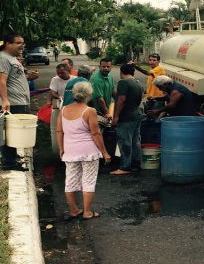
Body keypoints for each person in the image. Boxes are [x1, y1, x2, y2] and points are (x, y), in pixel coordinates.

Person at [57, 81, 112, 220]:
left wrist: (61, 149)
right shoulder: (89, 111)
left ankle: (74, 210)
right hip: (88, 151)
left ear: (74, 93)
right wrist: (105, 152)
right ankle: (87, 212)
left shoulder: (63, 110)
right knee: (88, 180)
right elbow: (95, 133)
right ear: (89, 95)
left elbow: (59, 131)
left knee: (70, 180)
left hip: (70, 151)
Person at [0, 34, 39, 171]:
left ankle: (12, 158)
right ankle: (8, 162)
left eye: (23, 43)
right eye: (18, 43)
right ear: (7, 43)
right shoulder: (1, 58)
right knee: (9, 133)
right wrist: (5, 100)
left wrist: (29, 76)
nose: (22, 45)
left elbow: (15, 77)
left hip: (19, 101)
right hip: (11, 103)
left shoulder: (12, 58)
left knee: (14, 132)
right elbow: (1, 81)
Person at [110, 64, 145, 175]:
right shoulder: (138, 83)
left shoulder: (123, 82)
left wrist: (115, 116)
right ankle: (136, 164)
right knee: (135, 141)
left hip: (126, 117)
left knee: (125, 142)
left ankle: (125, 167)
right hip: (137, 114)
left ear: (121, 72)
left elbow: (121, 99)